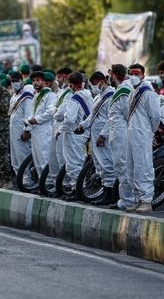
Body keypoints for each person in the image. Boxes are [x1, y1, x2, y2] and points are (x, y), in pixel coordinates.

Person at [125, 64, 161, 213]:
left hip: (143, 132)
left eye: (136, 73)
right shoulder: (133, 92)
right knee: (131, 167)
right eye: (131, 73)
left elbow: (156, 116)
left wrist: (150, 132)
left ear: (142, 76)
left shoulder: (148, 92)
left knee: (143, 166)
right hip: (131, 132)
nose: (133, 76)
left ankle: (147, 200)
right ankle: (138, 198)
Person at [77, 71, 116, 205]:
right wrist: (83, 126)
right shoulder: (98, 97)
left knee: (107, 164)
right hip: (95, 136)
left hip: (103, 137)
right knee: (99, 164)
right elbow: (92, 116)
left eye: (94, 84)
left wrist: (103, 135)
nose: (93, 86)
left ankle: (110, 194)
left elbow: (111, 118)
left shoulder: (111, 96)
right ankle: (105, 192)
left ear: (102, 81)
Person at [57, 72, 93, 201]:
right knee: (78, 161)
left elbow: (69, 118)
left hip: (73, 132)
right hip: (83, 132)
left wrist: (60, 129)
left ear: (71, 84)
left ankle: (77, 190)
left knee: (73, 163)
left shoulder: (75, 98)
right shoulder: (88, 95)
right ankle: (77, 188)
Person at [106, 64, 134, 209]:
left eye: (110, 74)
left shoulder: (124, 90)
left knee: (123, 166)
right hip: (117, 133)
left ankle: (128, 200)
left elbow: (127, 113)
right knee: (119, 166)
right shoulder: (121, 89)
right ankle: (125, 198)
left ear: (115, 75)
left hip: (122, 134)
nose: (109, 77)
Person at [23, 71, 56, 178]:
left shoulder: (50, 95)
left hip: (45, 130)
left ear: (44, 82)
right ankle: (42, 183)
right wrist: (29, 120)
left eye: (38, 80)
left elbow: (50, 112)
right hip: (35, 130)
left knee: (44, 157)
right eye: (33, 81)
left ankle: (49, 183)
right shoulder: (37, 95)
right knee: (37, 159)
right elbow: (32, 112)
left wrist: (36, 120)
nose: (35, 83)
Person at [8, 71, 34, 176]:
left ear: (21, 80)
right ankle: (21, 180)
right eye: (12, 81)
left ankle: (28, 181)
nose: (14, 83)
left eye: (16, 81)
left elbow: (28, 113)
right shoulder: (14, 95)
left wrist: (27, 130)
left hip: (21, 130)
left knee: (23, 156)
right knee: (15, 158)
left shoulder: (26, 94)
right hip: (13, 130)